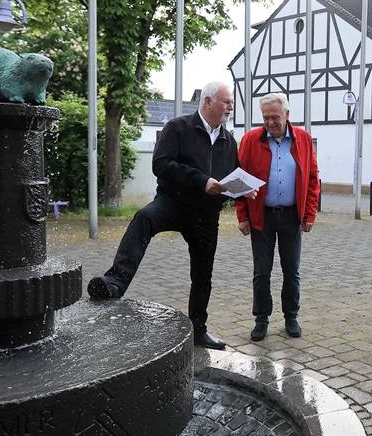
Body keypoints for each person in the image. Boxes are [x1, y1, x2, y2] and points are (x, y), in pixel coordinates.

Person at [86, 81, 256, 350]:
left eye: (231, 102)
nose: (230, 106)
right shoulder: (177, 127)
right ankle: (113, 283)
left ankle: (198, 330)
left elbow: (227, 178)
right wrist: (201, 181)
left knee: (203, 274)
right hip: (172, 202)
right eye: (226, 101)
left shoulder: (228, 140)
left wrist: (240, 191)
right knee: (144, 218)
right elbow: (161, 164)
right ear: (208, 102)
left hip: (205, 214)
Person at [235, 93, 320, 341]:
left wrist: (309, 214)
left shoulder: (303, 138)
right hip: (262, 216)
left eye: (274, 117)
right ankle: (261, 319)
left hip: (292, 216)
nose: (270, 122)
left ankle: (291, 317)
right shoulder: (251, 139)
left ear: (287, 115)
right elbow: (239, 179)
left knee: (291, 269)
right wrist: (242, 216)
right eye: (265, 117)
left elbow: (313, 179)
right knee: (262, 271)